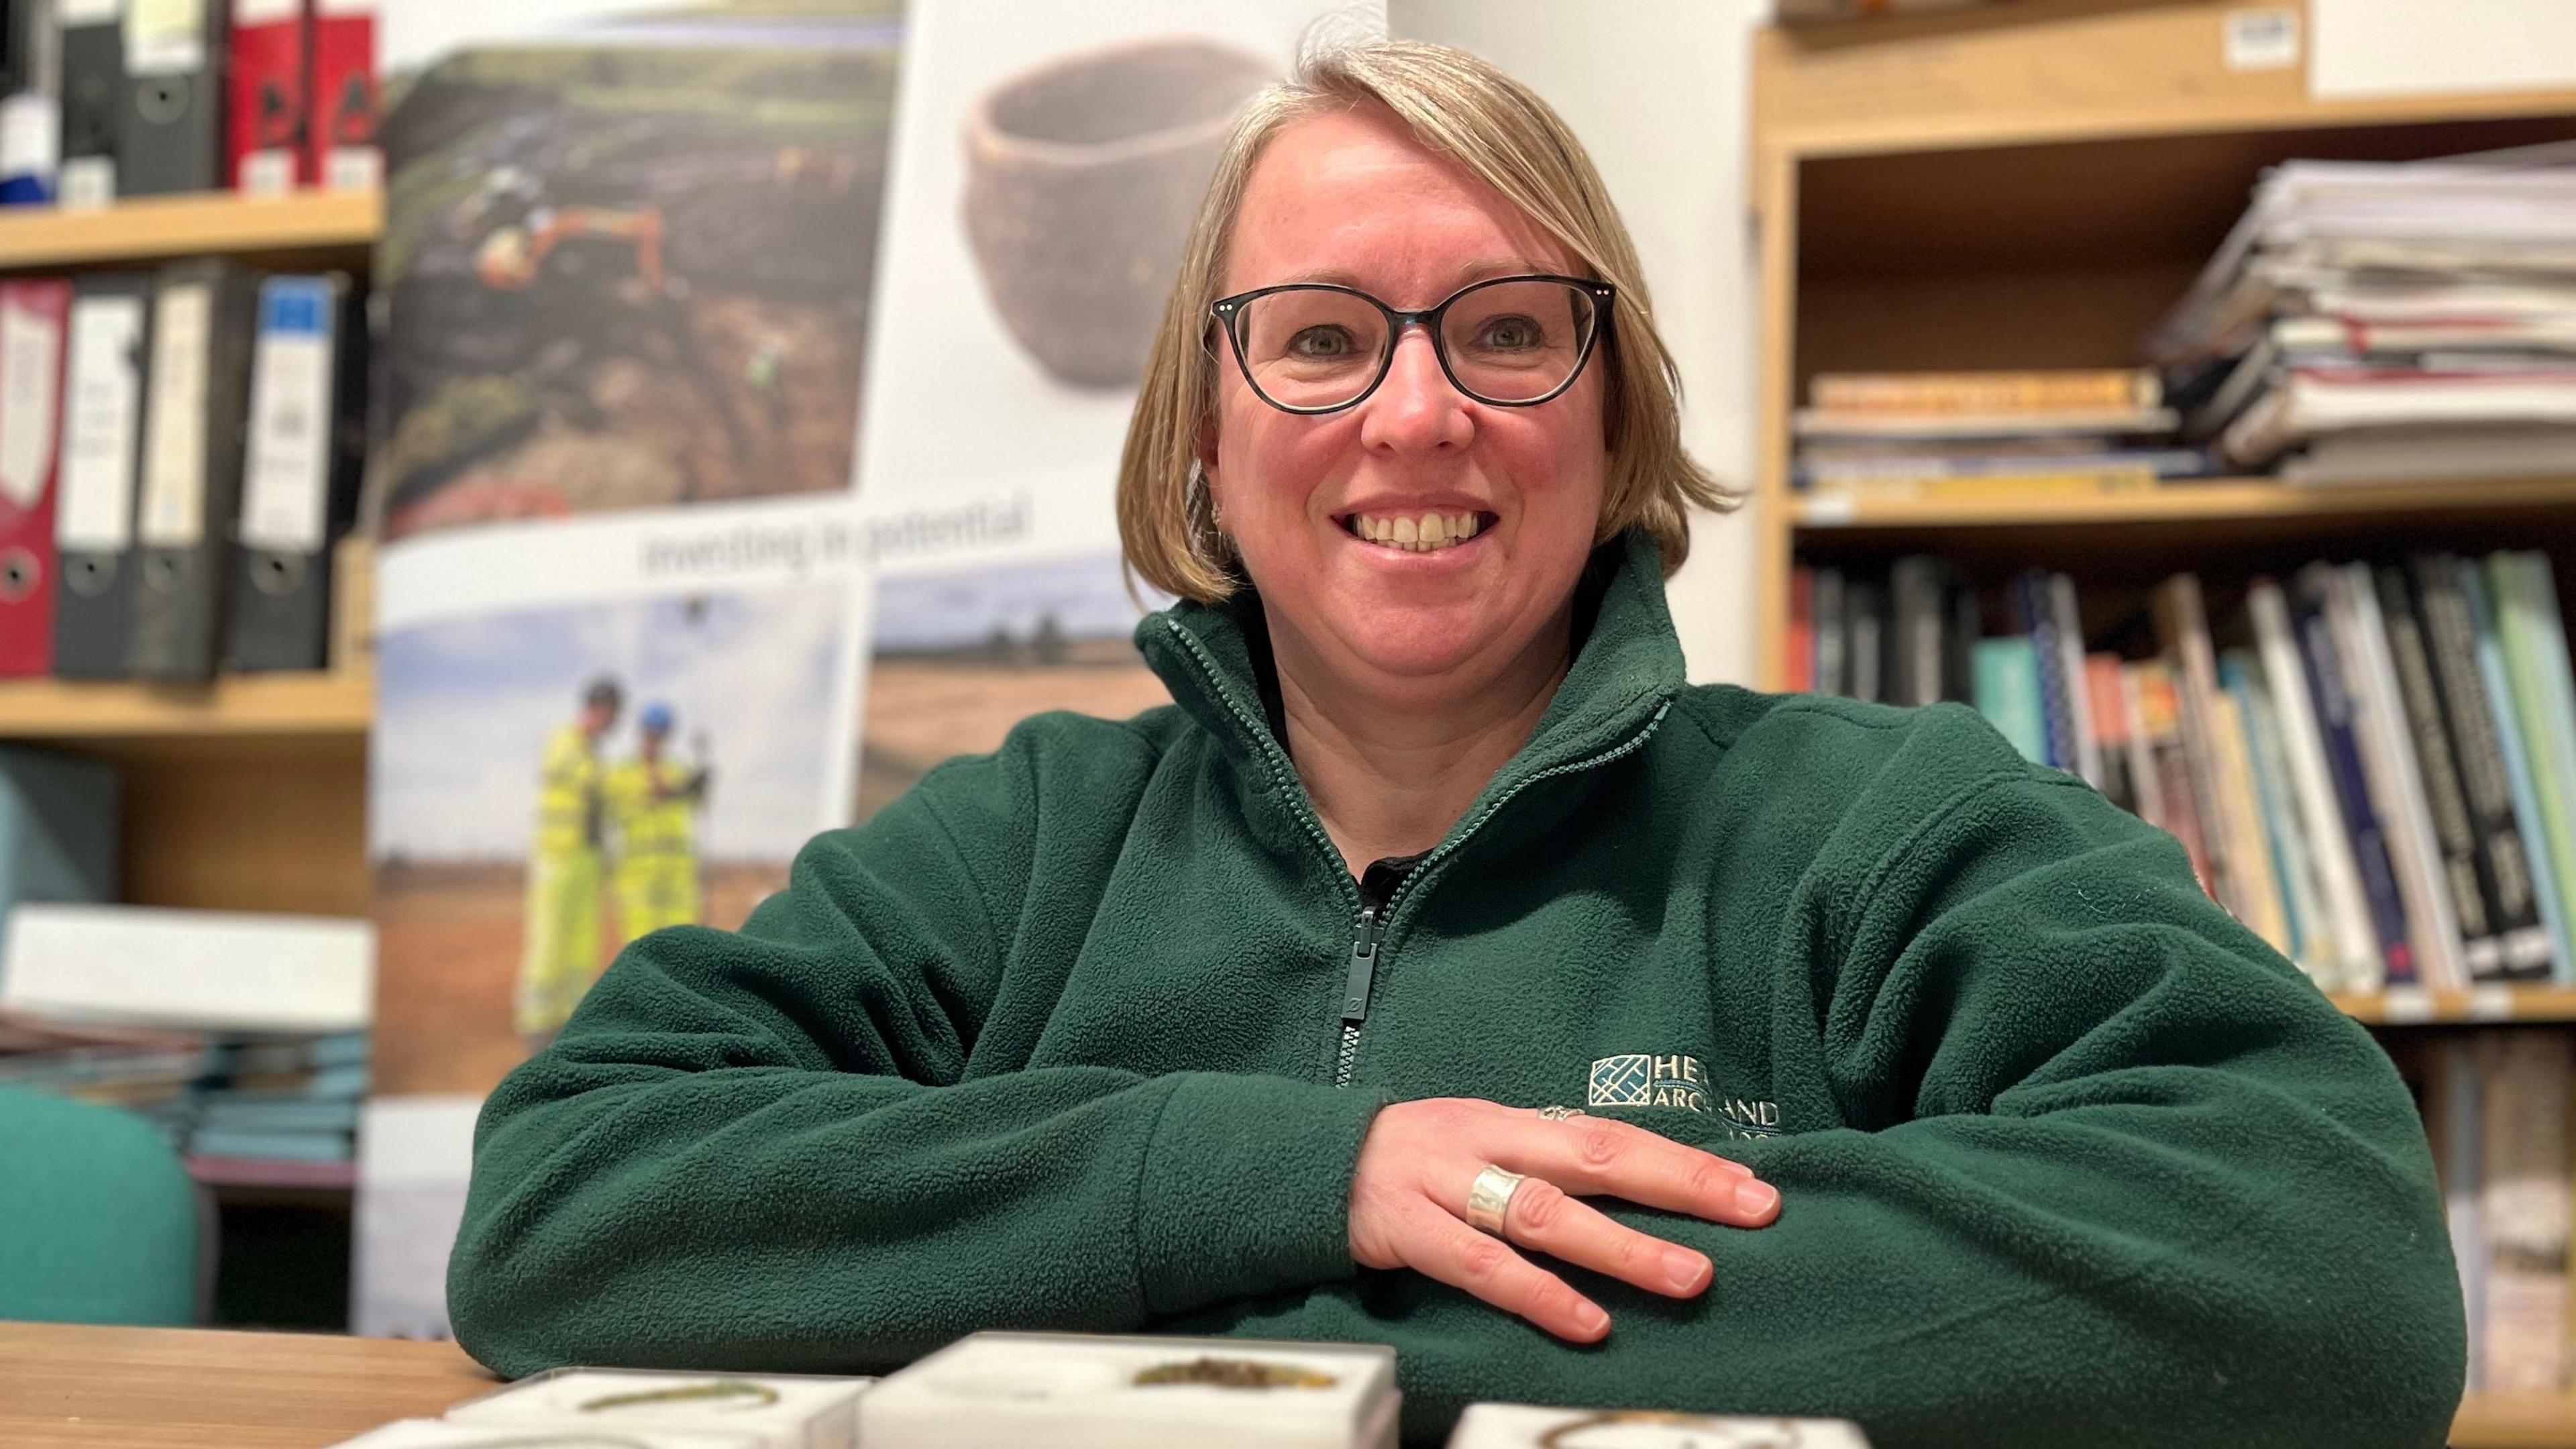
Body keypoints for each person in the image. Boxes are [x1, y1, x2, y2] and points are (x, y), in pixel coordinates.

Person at [449, 40, 2463, 1446]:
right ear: (1206, 441)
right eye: (1320, 339)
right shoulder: (1017, 839)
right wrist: (1288, 1173)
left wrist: (1247, 1376)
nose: (1415, 415)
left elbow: (2320, 1268)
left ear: (1609, 423)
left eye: (1505, 332)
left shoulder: (1880, 826)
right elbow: (562, 1205)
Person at [513, 676, 621, 1042]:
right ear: (598, 708)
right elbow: (589, 780)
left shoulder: (593, 752)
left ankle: (570, 1018)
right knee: (549, 938)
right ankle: (537, 1022)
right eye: (612, 713)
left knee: (581, 943)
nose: (614, 722)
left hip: (588, 861)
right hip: (558, 858)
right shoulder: (564, 741)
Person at [605, 702, 710, 941]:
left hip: (677, 873)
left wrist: (702, 781)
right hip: (638, 874)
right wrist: (676, 790)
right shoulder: (623, 772)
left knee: (681, 942)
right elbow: (641, 796)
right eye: (650, 732)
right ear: (641, 733)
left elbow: (697, 800)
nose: (654, 738)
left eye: (661, 733)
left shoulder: (677, 769)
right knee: (640, 943)